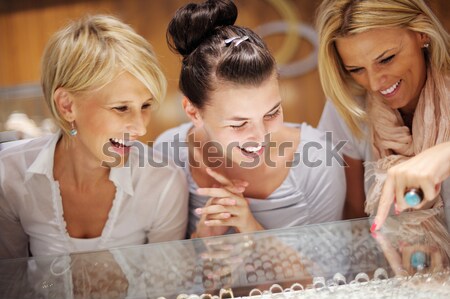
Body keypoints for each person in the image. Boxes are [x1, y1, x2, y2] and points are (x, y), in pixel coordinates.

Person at [0, 15, 189, 258]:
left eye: (145, 106)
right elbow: (10, 283)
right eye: (121, 108)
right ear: (67, 106)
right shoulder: (9, 174)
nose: (140, 129)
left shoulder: (163, 182)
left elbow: (168, 287)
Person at [155, 0, 346, 238]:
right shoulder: (168, 152)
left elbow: (332, 270)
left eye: (272, 112)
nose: (260, 136)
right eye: (239, 124)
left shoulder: (319, 160)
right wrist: (204, 239)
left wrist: (251, 230)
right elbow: (162, 265)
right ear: (194, 112)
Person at [316, 0, 450, 230]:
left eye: (386, 59)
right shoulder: (348, 106)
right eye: (356, 70)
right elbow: (353, 217)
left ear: (421, 33)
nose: (375, 84)